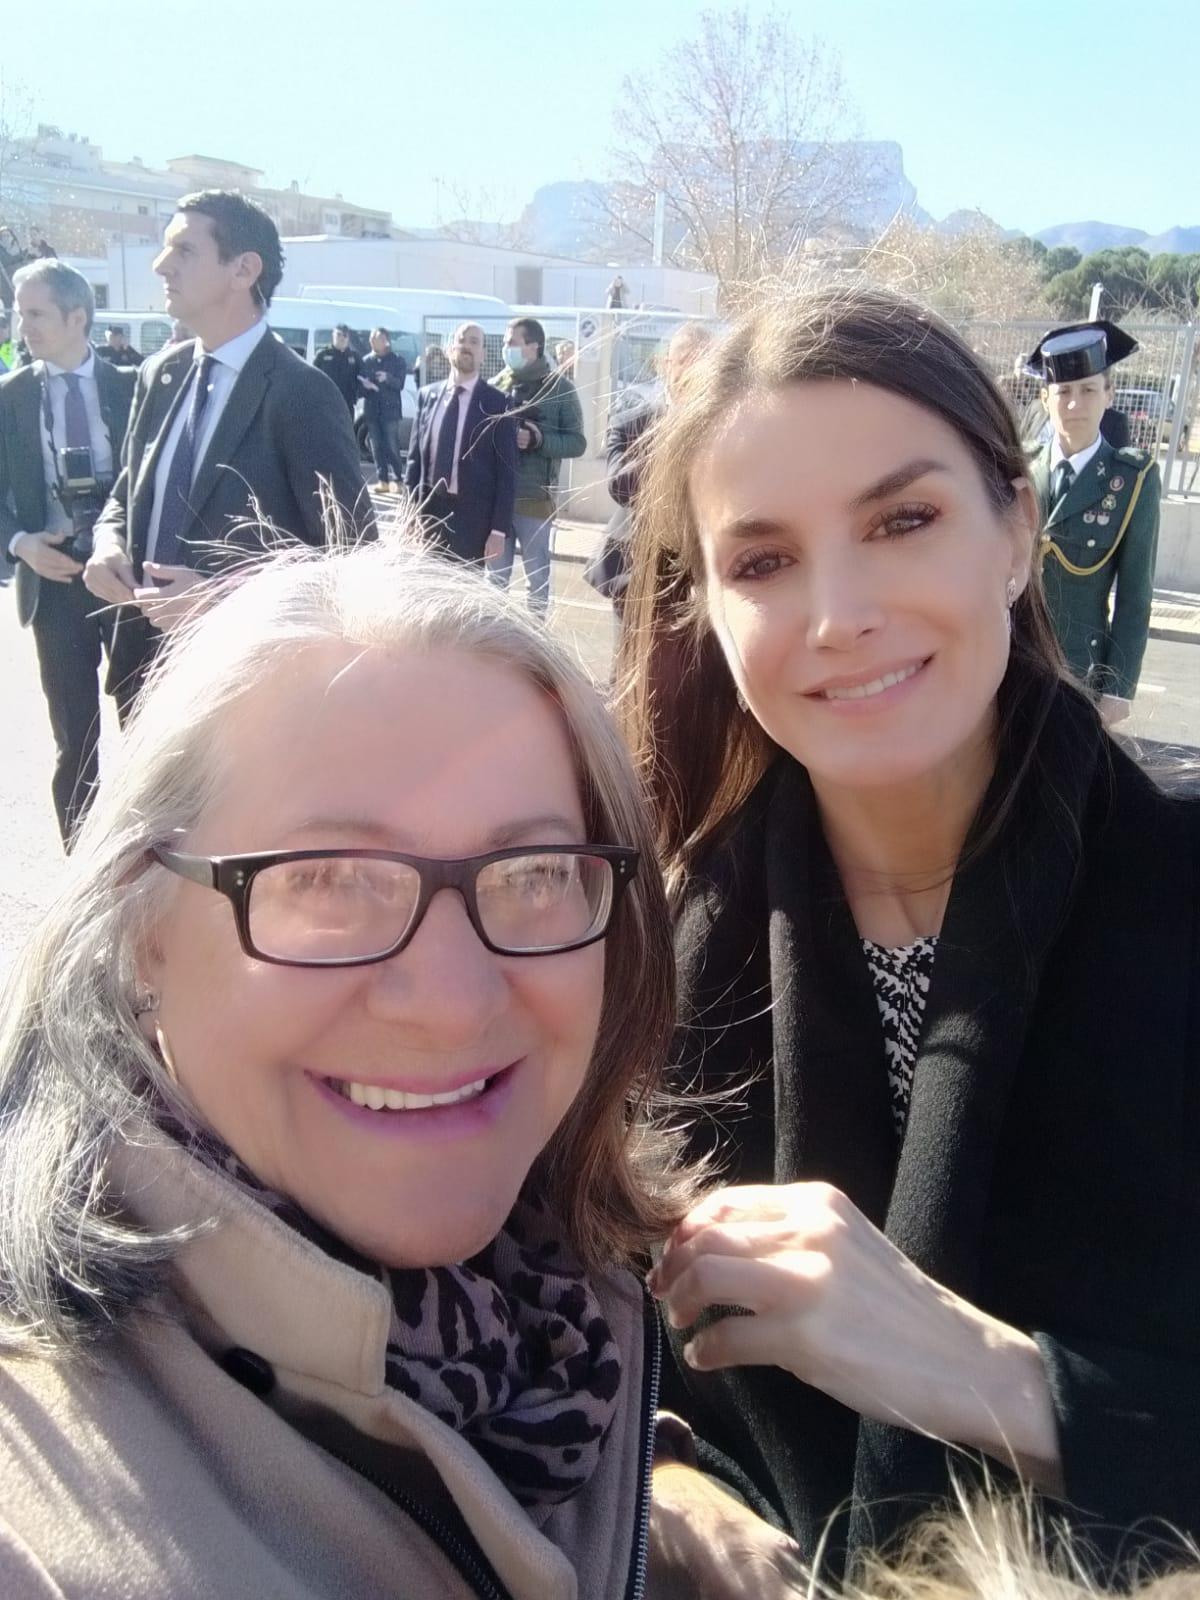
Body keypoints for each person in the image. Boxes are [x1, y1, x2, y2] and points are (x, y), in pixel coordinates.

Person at [0, 536, 722, 1600]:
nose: (452, 1002)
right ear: (143, 928)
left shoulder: (560, 1303)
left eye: (533, 872)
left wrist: (668, 1492)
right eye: (328, 879)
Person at [619, 286, 1200, 1584]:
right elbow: (596, 1352)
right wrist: (665, 1484)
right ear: (706, 605)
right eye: (763, 561)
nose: (839, 614)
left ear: (1015, 532)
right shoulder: (654, 964)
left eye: (904, 521)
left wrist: (992, 1377)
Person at [81, 189, 371, 712]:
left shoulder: (300, 392)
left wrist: (219, 601)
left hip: (243, 691)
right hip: (143, 678)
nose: (161, 265)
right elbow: (126, 495)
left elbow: (352, 558)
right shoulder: (160, 374)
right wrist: (108, 544)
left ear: (243, 270)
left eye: (184, 250)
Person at [0, 260, 137, 842]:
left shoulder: (133, 387)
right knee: (74, 741)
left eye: (35, 312)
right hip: (54, 591)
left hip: (128, 584)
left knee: (150, 725)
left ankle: (154, 862)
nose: (20, 324)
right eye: (17, 310)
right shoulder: (8, 398)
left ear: (77, 317)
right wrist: (21, 542)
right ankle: (82, 865)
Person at [1024, 321, 1160, 725]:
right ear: (1045, 399)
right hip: (1013, 662)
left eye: (1087, 390)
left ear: (1108, 395)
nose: (1073, 404)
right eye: (1063, 392)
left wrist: (1118, 689)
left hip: (1081, 673)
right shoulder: (1020, 466)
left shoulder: (1132, 480)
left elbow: (1136, 595)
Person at [588, 322, 713, 615]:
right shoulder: (631, 422)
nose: (693, 371)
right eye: (685, 360)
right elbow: (620, 487)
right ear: (665, 365)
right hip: (636, 576)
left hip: (702, 579)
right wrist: (677, 427)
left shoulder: (728, 428)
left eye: (703, 361)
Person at [488, 318, 586, 618]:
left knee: (538, 583)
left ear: (533, 346)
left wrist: (538, 439)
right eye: (506, 342)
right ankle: (492, 647)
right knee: (493, 583)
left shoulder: (560, 389)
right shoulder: (497, 385)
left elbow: (577, 443)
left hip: (535, 503)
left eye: (512, 343)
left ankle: (533, 653)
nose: (506, 348)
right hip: (497, 504)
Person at [405, 321, 516, 566]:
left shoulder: (498, 405)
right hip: (429, 514)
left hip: (472, 522)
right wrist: (408, 513)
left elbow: (506, 474)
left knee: (461, 598)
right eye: (461, 340)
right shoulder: (427, 396)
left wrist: (498, 531)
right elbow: (414, 463)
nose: (466, 346)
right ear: (449, 349)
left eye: (474, 342)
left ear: (483, 355)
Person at [359, 326, 407, 491]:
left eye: (376, 338)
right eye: (371, 338)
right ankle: (383, 480)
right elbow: (360, 388)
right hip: (372, 410)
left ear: (386, 341)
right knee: (376, 446)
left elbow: (400, 384)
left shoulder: (397, 360)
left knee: (392, 445)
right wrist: (366, 386)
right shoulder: (366, 361)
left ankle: (398, 480)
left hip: (390, 410)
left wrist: (387, 378)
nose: (372, 341)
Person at [313, 322, 361, 415]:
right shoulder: (323, 355)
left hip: (347, 402)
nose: (342, 338)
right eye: (338, 334)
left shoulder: (354, 357)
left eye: (344, 335)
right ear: (333, 335)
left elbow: (363, 376)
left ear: (348, 337)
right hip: (326, 401)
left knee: (346, 428)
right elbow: (313, 376)